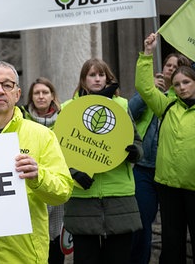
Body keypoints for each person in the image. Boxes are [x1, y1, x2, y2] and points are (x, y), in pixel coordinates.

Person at [0, 61, 73, 263]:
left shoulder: (41, 136)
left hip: (24, 256)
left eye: (7, 85)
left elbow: (63, 191)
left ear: (17, 94)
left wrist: (38, 176)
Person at [62, 58, 143, 264]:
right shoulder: (69, 108)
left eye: (101, 74)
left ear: (108, 78)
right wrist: (73, 172)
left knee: (118, 258)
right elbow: (57, 150)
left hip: (119, 194)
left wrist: (135, 153)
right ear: (83, 79)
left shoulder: (121, 105)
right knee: (86, 259)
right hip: (83, 195)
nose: (97, 79)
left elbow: (136, 141)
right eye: (92, 75)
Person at [136, 33, 195, 263]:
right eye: (177, 84)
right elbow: (144, 87)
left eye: (187, 82)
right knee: (172, 242)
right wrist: (147, 54)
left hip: (193, 187)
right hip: (168, 186)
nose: (181, 87)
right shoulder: (167, 105)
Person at [19, 77, 65, 264]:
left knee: (55, 246)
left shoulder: (65, 121)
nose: (40, 96)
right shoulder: (21, 121)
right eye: (36, 93)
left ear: (52, 96)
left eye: (45, 92)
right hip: (31, 191)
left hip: (55, 188)